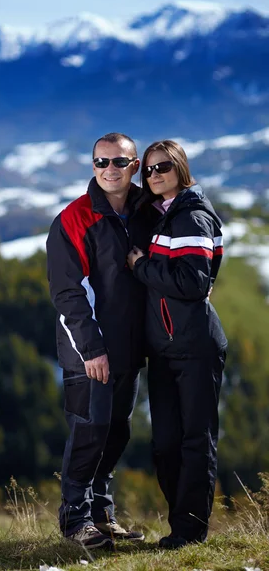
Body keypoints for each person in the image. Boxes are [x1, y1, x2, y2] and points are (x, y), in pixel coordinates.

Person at [46, 132, 156, 549]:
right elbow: (68, 294)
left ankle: (102, 514)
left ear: (134, 166)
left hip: (130, 346)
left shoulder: (148, 210)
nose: (110, 170)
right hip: (87, 352)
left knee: (117, 432)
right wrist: (92, 350)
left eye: (120, 162)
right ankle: (76, 521)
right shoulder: (72, 220)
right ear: (93, 166)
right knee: (90, 431)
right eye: (101, 162)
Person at [127, 140, 227, 549]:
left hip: (196, 345)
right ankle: (180, 526)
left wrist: (140, 266)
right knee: (166, 443)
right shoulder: (162, 214)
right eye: (148, 170)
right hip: (166, 347)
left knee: (193, 440)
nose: (154, 175)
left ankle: (189, 533)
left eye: (163, 167)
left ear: (180, 167)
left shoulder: (191, 217)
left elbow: (193, 282)